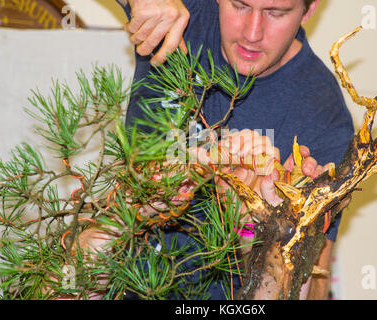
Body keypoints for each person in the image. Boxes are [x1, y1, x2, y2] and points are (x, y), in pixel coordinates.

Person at [115, 0, 354, 299]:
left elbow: (316, 285)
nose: (252, 33)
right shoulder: (187, 16)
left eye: (275, 13)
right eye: (239, 5)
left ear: (308, 10)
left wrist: (261, 231)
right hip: (117, 279)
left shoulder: (323, 118)